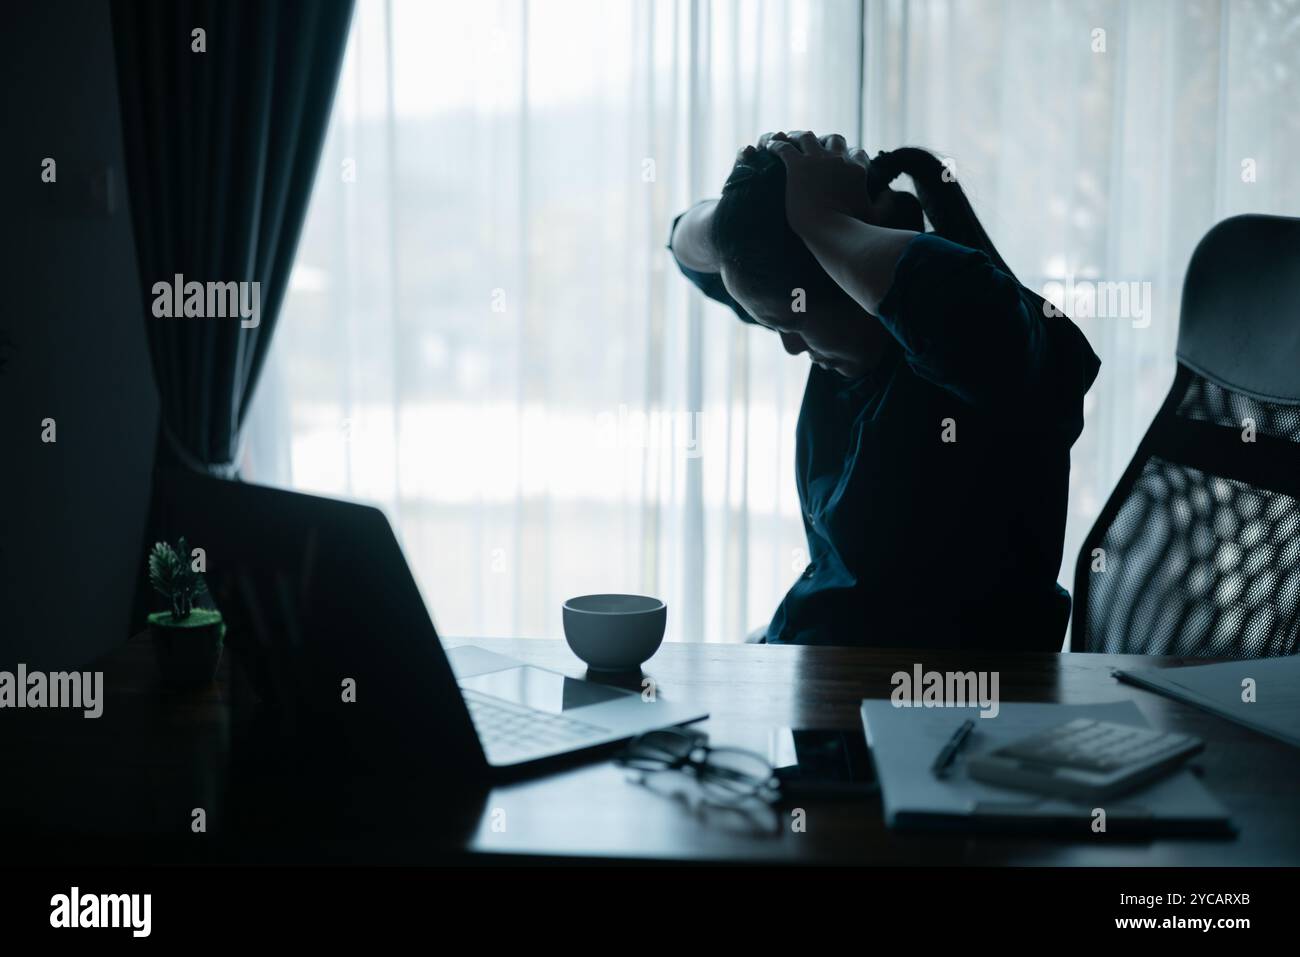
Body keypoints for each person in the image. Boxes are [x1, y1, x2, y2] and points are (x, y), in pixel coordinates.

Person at [667, 131, 1100, 649]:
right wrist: (754, 211)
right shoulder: (824, 315)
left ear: (851, 272)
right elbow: (683, 245)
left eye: (792, 323)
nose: (788, 345)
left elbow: (966, 302)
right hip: (815, 664)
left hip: (935, 705)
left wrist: (817, 220)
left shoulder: (985, 351)